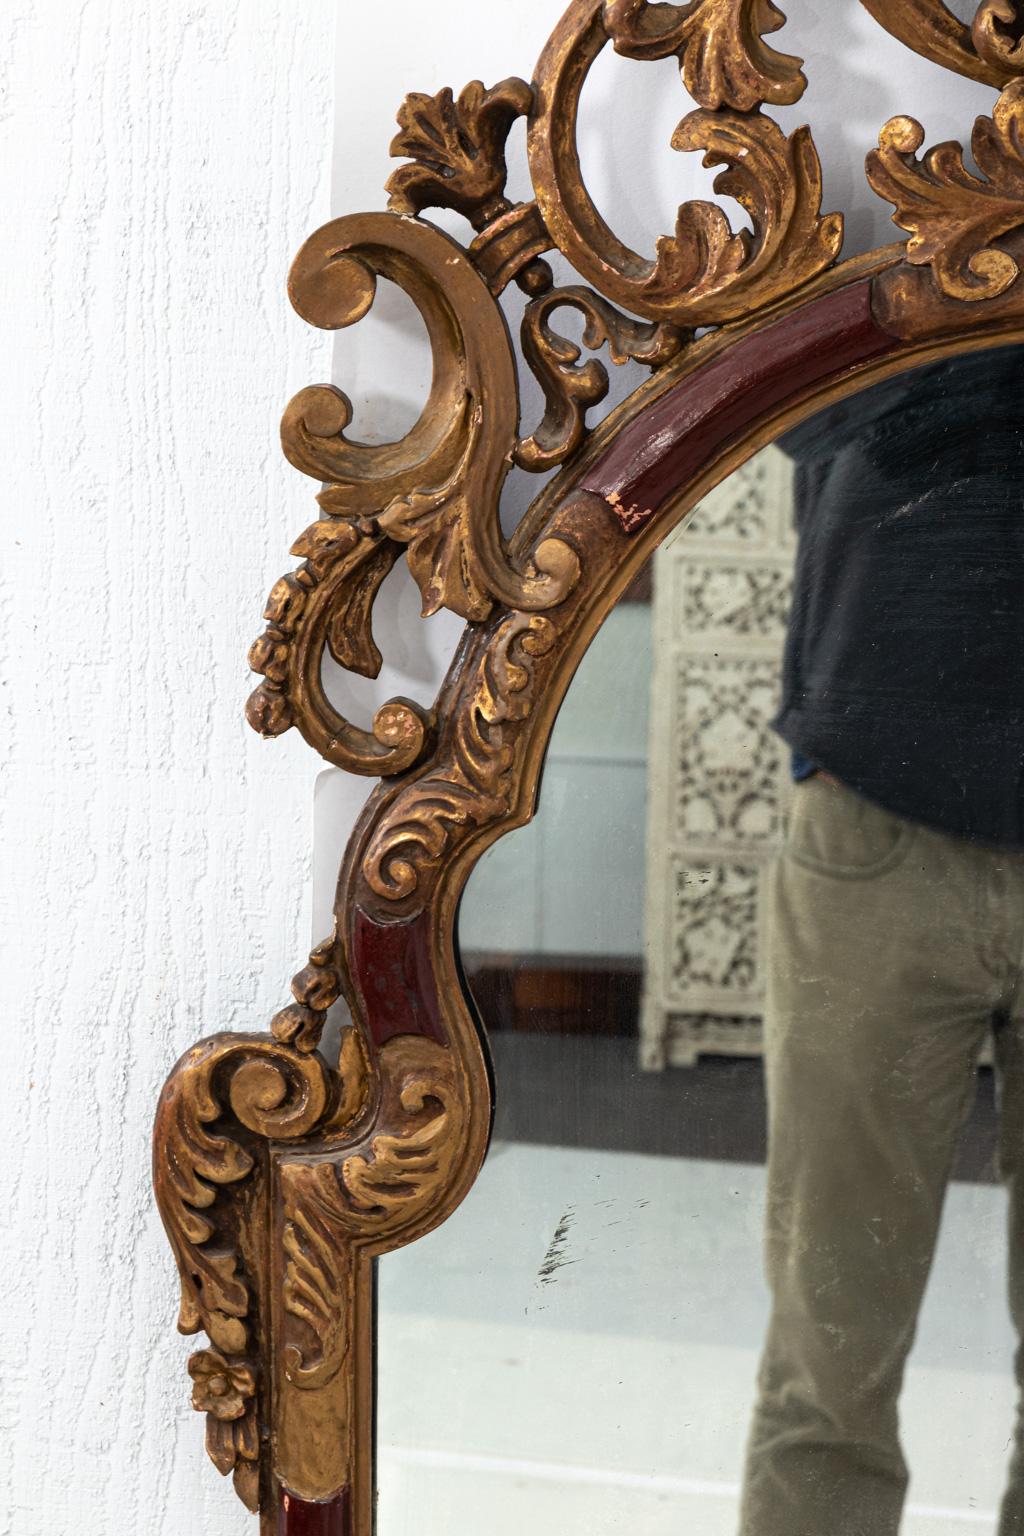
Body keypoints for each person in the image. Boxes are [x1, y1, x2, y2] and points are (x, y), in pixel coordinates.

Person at [739, 345, 1024, 1536]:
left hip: (872, 779)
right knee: (828, 1354)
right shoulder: (888, 171)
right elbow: (792, 392)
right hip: (877, 811)